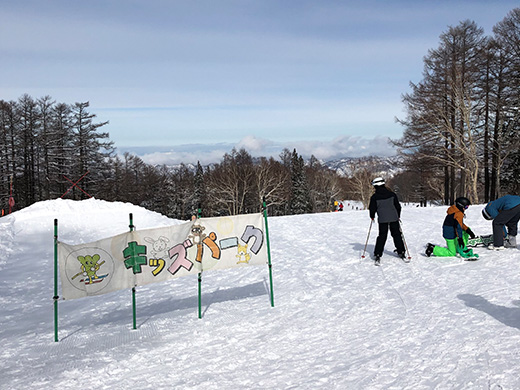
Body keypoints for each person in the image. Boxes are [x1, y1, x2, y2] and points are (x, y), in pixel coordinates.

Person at [368, 177, 405, 264]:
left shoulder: (374, 197)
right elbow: (398, 206)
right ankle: (401, 251)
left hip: (382, 219)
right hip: (394, 218)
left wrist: (372, 216)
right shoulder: (392, 194)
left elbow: (372, 208)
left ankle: (378, 253)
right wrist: (398, 216)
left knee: (382, 236)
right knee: (397, 234)